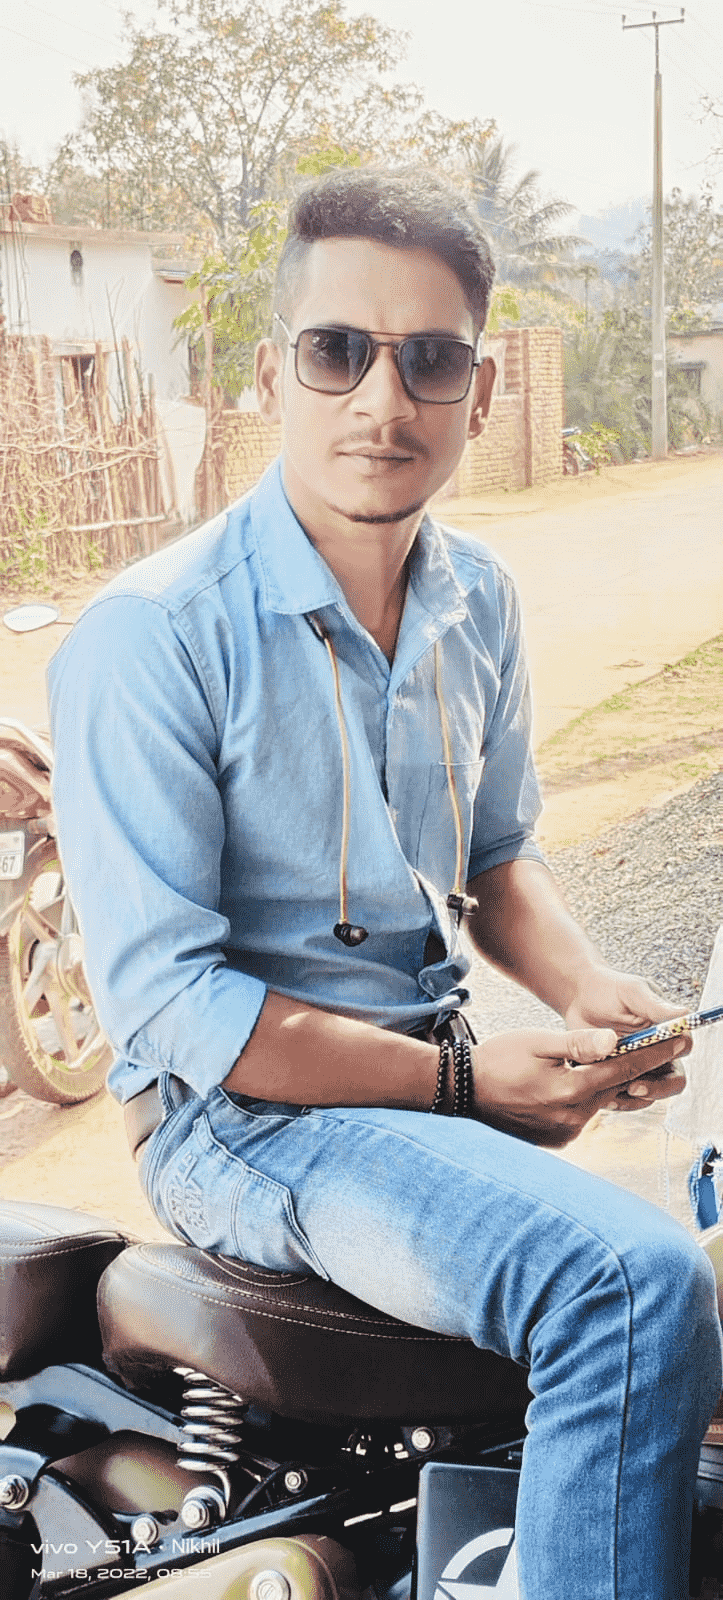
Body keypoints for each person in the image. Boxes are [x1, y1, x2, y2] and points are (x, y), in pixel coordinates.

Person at [48, 167, 721, 1598]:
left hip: (413, 1086)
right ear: (269, 375)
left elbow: (496, 856)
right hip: (242, 1124)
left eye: (429, 360)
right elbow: (171, 1009)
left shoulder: (477, 597)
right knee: (625, 1286)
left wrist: (592, 995)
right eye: (337, 350)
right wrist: (468, 1084)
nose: (381, 401)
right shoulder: (152, 636)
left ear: (480, 392)